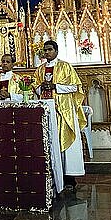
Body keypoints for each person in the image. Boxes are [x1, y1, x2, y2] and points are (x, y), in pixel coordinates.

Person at [33, 40, 86, 192]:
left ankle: (69, 177)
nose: (47, 52)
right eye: (45, 50)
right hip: (46, 110)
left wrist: (55, 86)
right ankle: (51, 174)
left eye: (50, 49)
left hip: (63, 110)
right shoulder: (40, 69)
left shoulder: (65, 66)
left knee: (66, 144)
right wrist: (40, 87)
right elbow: (35, 88)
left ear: (56, 51)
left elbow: (75, 87)